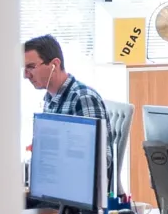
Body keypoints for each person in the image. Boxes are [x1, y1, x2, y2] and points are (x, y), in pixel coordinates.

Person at [23, 33, 123, 169]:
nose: (26, 75)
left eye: (31, 67)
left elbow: (101, 162)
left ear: (54, 64)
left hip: (77, 187)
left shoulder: (83, 98)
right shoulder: (50, 99)